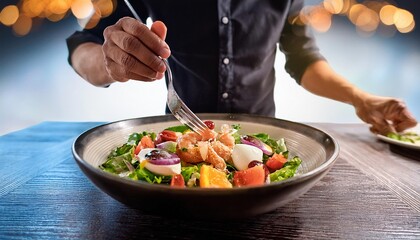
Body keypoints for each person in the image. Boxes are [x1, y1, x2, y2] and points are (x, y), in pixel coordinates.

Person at [66, 0, 417, 135]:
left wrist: (360, 99)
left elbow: (303, 57)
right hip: (181, 141)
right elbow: (83, 44)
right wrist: (110, 64)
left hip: (265, 142)